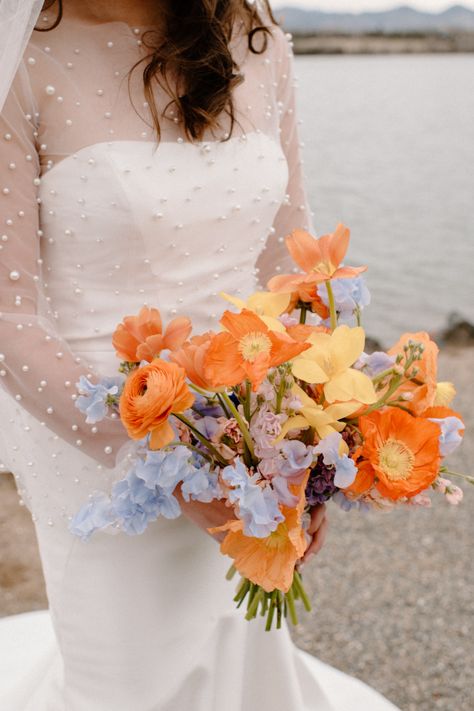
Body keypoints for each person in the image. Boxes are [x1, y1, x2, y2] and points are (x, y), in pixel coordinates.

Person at [0, 1, 400, 709]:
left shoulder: (257, 37)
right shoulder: (21, 59)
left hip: (249, 426)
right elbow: (10, 318)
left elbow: (289, 261)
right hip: (95, 436)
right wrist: (162, 464)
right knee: (129, 677)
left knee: (233, 650)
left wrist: (308, 446)